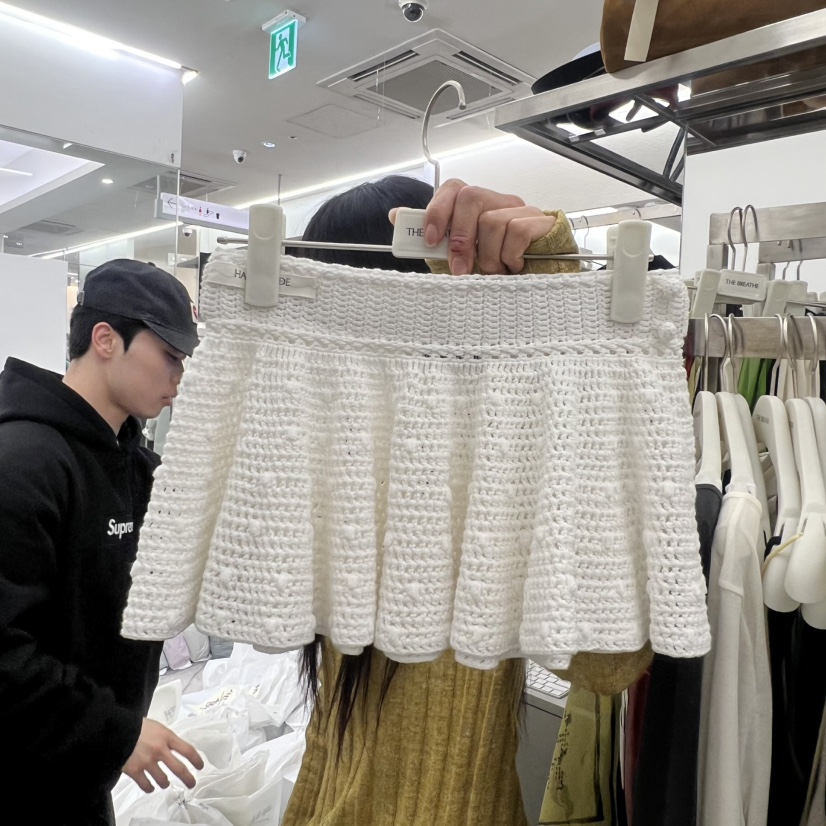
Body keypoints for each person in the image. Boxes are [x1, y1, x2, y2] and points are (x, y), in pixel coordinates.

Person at [283, 176, 580, 826]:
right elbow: (333, 726)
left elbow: (606, 662)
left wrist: (551, 279)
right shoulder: (344, 480)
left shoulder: (484, 475)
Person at [0, 260, 205, 825]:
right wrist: (115, 733)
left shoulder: (137, 468)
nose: (178, 377)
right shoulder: (23, 464)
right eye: (170, 356)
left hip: (80, 778)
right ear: (106, 340)